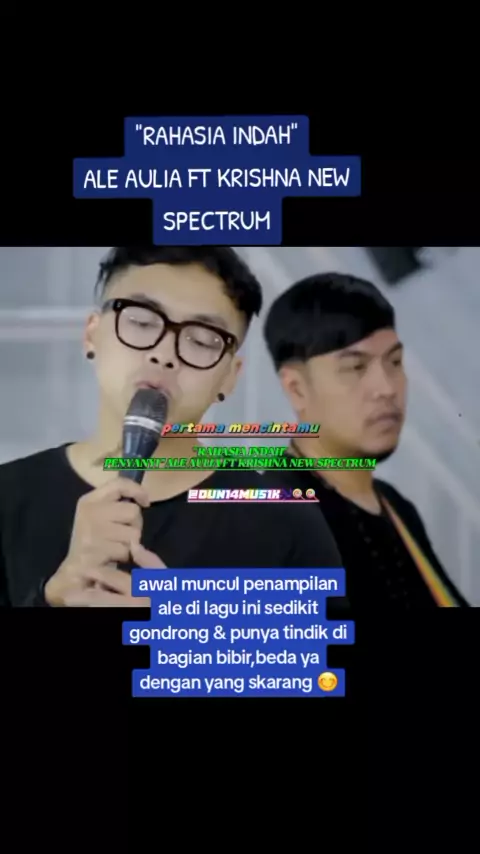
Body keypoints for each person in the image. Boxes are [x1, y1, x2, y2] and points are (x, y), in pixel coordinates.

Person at [0, 247, 343, 608]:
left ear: (230, 376)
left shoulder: (285, 522)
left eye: (201, 340)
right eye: (141, 322)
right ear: (92, 334)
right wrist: (50, 599)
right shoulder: (8, 498)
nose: (163, 355)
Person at [263, 271, 469, 609]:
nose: (386, 388)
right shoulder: (269, 519)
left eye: (395, 362)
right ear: (296, 388)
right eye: (355, 367)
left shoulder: (394, 504)